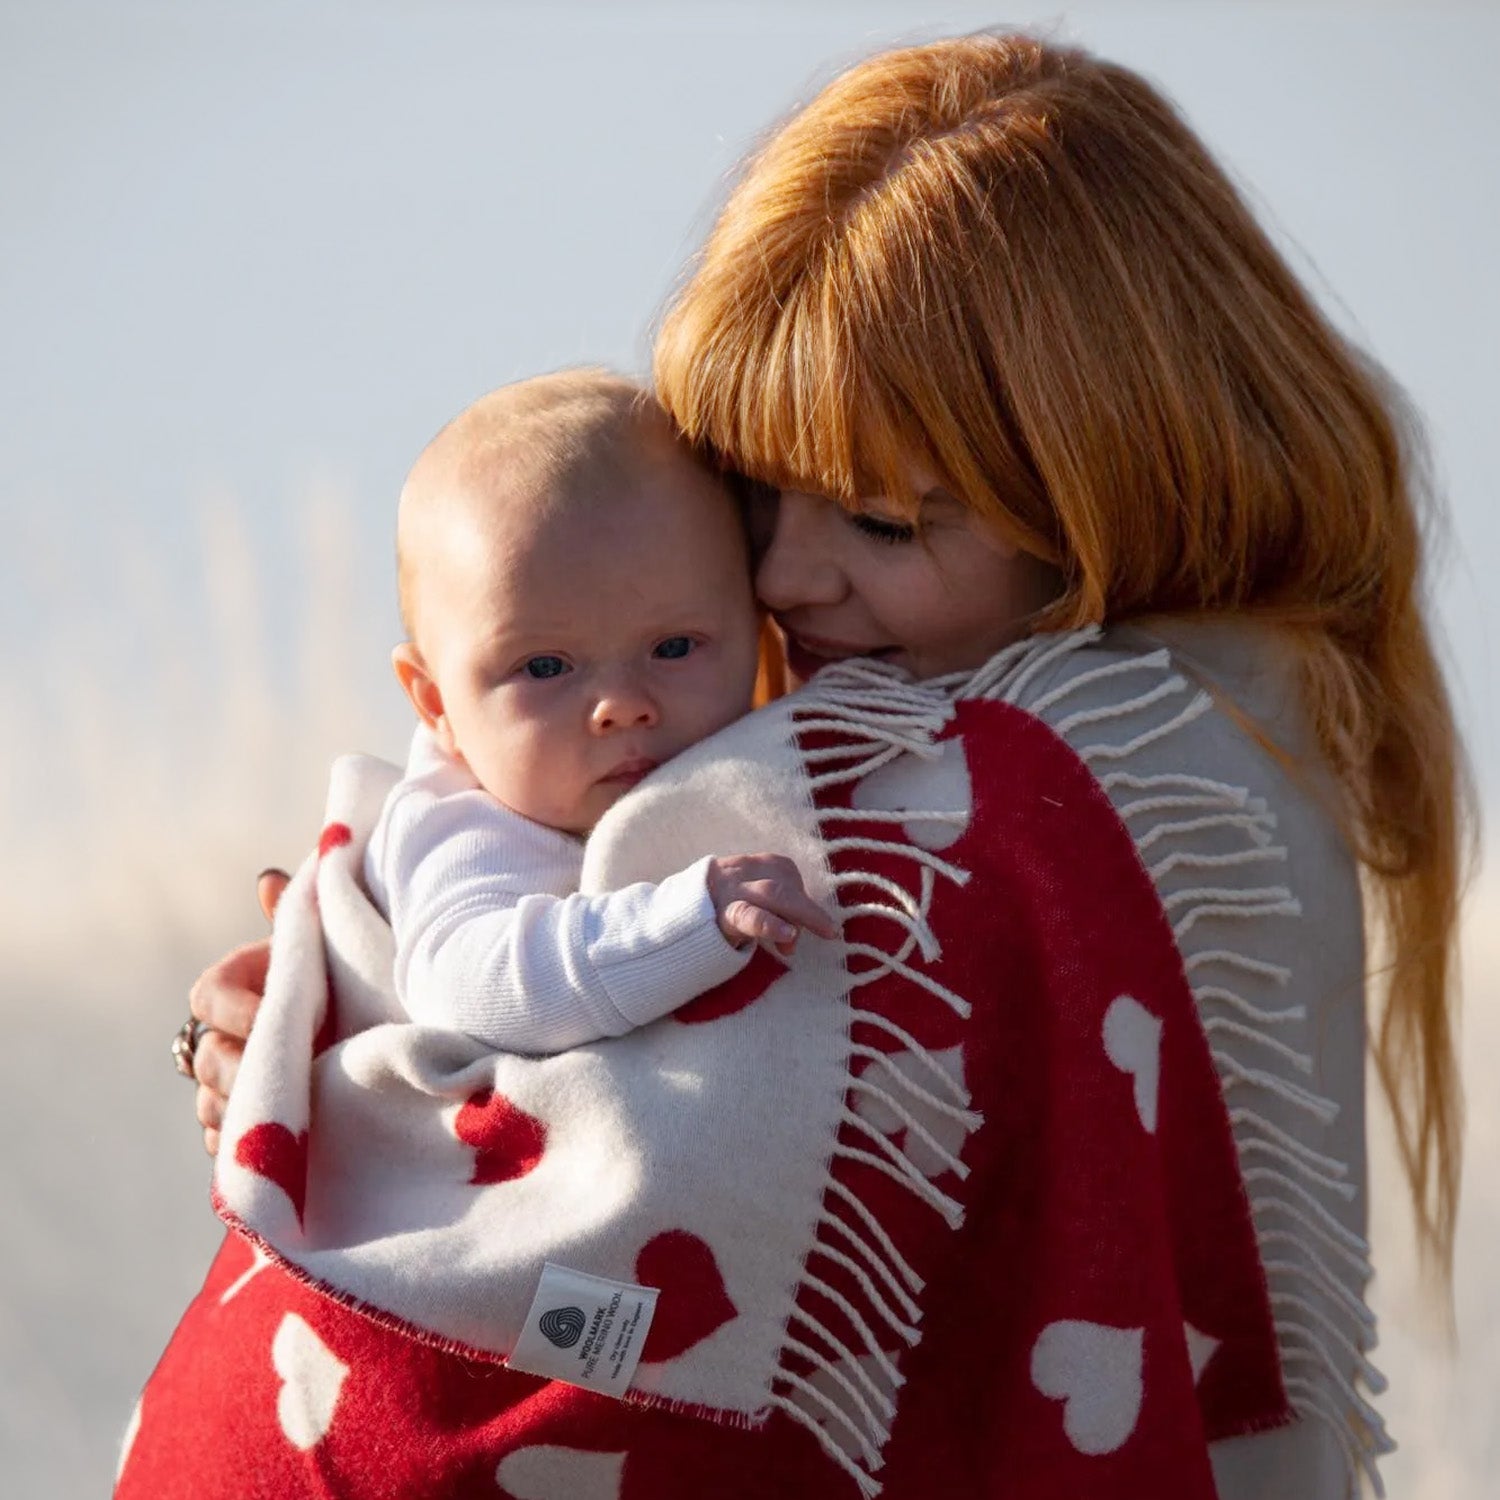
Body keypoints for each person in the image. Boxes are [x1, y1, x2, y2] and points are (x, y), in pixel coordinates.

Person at [157, 30, 1464, 1500]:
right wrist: (343, 995)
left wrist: (362, 1088)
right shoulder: (980, 723)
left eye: (888, 526)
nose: (784, 577)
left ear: (1116, 491)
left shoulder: (1071, 782)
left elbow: (643, 1185)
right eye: (754, 493)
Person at [367, 368, 831, 1053]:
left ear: (759, 630)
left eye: (674, 647)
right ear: (437, 703)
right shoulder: (460, 823)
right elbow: (466, 986)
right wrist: (684, 920)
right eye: (545, 667)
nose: (621, 706)